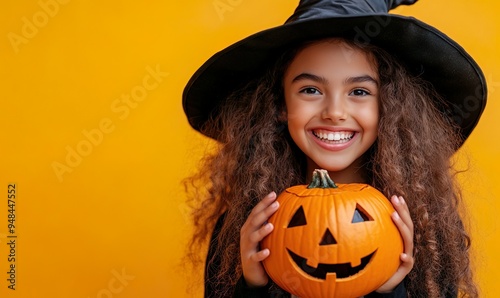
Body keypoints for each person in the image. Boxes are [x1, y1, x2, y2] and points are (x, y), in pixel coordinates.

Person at [182, 0, 487, 297]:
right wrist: (252, 287)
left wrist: (390, 290)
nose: (334, 111)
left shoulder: (427, 227)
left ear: (389, 108)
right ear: (280, 105)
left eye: (359, 91)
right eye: (311, 90)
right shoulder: (243, 227)